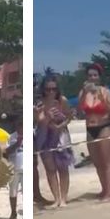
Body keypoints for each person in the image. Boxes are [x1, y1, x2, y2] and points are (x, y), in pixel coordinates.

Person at [79, 64, 110, 202]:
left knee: (106, 162)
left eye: (95, 75)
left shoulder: (105, 91)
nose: (92, 78)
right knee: (97, 163)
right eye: (90, 75)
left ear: (99, 77)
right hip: (90, 129)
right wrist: (83, 93)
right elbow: (78, 111)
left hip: (104, 127)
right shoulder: (84, 92)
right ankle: (104, 189)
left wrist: (102, 99)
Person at [35, 77, 75, 207]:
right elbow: (39, 121)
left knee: (63, 168)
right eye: (48, 89)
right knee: (50, 169)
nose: (51, 92)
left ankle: (63, 198)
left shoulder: (62, 100)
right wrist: (48, 117)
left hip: (60, 136)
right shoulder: (40, 103)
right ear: (43, 90)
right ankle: (56, 198)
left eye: (54, 89)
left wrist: (60, 125)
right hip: (45, 136)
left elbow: (69, 116)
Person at [5, 115, 24, 218]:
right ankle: (13, 212)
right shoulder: (11, 137)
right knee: (13, 192)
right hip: (14, 168)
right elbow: (6, 152)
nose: (20, 127)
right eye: (19, 126)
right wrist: (17, 143)